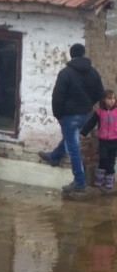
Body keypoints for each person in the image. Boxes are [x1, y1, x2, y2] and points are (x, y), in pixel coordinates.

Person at [38, 43, 104, 192]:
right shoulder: (94, 73)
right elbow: (100, 93)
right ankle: (54, 156)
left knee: (72, 147)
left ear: (71, 54)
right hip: (85, 114)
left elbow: (57, 97)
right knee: (70, 137)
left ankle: (79, 181)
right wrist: (88, 104)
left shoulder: (65, 73)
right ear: (83, 53)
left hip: (69, 115)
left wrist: (58, 114)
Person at [80, 89, 117, 189]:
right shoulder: (99, 112)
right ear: (104, 99)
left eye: (114, 98)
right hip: (103, 140)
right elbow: (91, 123)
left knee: (111, 160)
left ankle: (109, 179)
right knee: (103, 158)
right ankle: (100, 177)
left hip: (115, 141)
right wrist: (83, 133)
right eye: (109, 98)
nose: (112, 100)